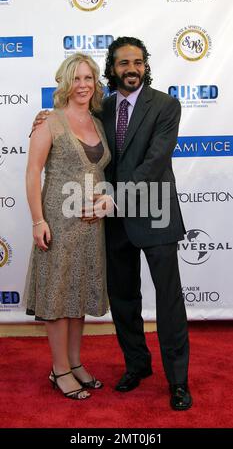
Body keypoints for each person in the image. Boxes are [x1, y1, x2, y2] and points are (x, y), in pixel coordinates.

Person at [32, 36, 192, 410]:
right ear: (113, 68)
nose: (131, 69)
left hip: (154, 213)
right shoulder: (99, 107)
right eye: (123, 63)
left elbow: (154, 163)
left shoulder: (166, 105)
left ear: (145, 65)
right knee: (123, 300)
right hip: (113, 221)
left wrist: (115, 198)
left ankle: (178, 381)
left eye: (137, 62)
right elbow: (71, 122)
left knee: (169, 302)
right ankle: (137, 365)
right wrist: (46, 117)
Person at [24, 52, 111, 400]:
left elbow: (100, 171)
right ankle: (59, 370)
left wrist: (106, 199)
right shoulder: (50, 122)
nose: (83, 85)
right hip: (58, 223)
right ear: (65, 82)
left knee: (79, 295)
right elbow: (33, 172)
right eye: (76, 78)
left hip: (91, 227)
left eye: (88, 78)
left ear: (96, 83)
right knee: (58, 297)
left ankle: (75, 363)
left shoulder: (99, 123)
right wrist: (37, 220)